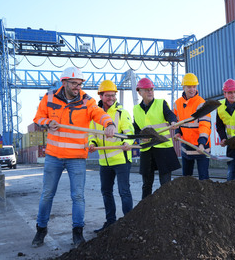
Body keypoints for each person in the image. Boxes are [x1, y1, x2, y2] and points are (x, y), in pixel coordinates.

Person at [32, 67, 115, 247]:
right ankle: (41, 230)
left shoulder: (87, 101)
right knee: (47, 194)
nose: (78, 87)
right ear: (64, 83)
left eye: (80, 84)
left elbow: (98, 113)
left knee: (78, 196)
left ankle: (77, 232)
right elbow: (37, 118)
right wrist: (47, 123)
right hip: (53, 156)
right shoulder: (50, 98)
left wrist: (109, 123)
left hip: (77, 157)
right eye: (74, 84)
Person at [88, 80, 134, 233]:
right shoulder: (95, 116)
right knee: (106, 192)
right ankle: (110, 222)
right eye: (107, 95)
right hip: (104, 162)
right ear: (100, 96)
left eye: (113, 95)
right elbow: (92, 135)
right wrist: (92, 143)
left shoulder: (122, 113)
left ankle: (129, 223)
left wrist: (127, 142)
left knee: (124, 191)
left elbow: (129, 134)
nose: (111, 98)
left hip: (121, 160)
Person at [133, 78, 181, 199]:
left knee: (165, 184)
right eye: (146, 90)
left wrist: (173, 121)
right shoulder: (136, 109)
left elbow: (169, 114)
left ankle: (167, 207)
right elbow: (136, 128)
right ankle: (144, 210)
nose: (150, 92)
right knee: (146, 184)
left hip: (162, 148)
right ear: (140, 92)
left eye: (151, 89)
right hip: (147, 149)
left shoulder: (161, 103)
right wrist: (140, 137)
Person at [174, 73, 211, 180]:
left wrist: (202, 143)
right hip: (186, 147)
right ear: (183, 87)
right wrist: (178, 132)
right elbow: (178, 122)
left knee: (204, 179)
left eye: (194, 86)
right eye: (189, 87)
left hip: (201, 147)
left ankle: (205, 197)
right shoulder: (177, 103)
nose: (192, 89)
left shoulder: (201, 103)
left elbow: (205, 125)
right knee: (186, 179)